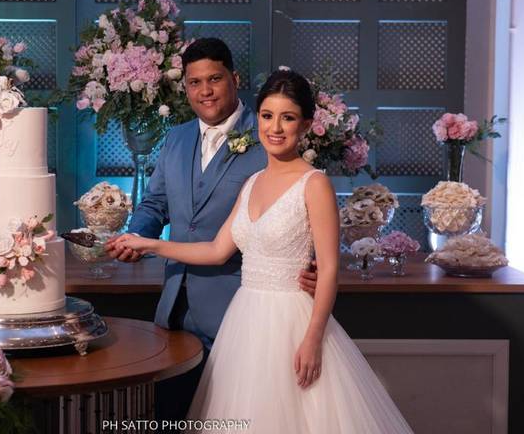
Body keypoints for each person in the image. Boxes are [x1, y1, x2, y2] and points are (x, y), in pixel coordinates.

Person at [112, 69, 412, 433]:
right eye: (268, 116)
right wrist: (149, 243)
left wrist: (313, 340)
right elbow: (216, 250)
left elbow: (330, 269)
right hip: (244, 321)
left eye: (288, 118)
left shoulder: (314, 184)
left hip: (292, 323)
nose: (275, 128)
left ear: (306, 124)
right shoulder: (252, 182)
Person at [105, 38, 314, 422]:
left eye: (214, 79)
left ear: (235, 79)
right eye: (194, 82)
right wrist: (136, 238)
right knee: (170, 419)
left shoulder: (268, 135)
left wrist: (310, 265)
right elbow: (155, 203)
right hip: (174, 312)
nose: (205, 91)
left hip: (240, 313)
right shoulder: (176, 137)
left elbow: (299, 210)